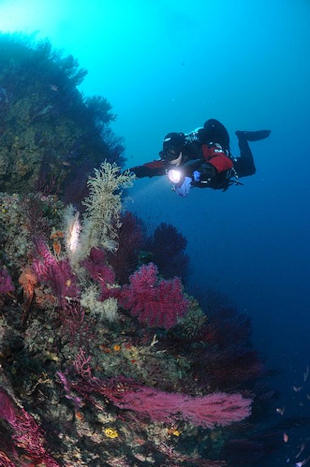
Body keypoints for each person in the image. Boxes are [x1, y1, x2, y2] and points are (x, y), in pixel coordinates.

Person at [129, 119, 270, 196]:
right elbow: (146, 168)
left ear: (181, 149)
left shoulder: (202, 148)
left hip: (221, 173)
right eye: (165, 153)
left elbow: (223, 160)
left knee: (250, 168)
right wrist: (121, 175)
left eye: (172, 152)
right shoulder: (168, 162)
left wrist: (204, 170)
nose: (168, 157)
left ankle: (242, 136)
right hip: (211, 182)